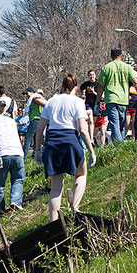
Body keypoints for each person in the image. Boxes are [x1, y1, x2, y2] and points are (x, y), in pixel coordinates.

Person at [35, 74, 96, 222]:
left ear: (62, 87)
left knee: (56, 188)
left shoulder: (50, 102)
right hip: (70, 141)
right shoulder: (77, 102)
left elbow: (39, 129)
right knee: (81, 174)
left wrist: (37, 151)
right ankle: (75, 208)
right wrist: (91, 150)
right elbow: (83, 129)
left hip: (53, 143)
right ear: (75, 88)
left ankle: (53, 222)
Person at [96, 48, 137, 142]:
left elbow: (101, 85)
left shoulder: (106, 67)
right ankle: (119, 143)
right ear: (121, 56)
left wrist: (97, 100)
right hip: (123, 99)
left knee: (114, 123)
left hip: (111, 99)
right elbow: (136, 82)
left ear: (111, 56)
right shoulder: (127, 67)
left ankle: (119, 143)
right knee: (121, 122)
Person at [22, 87, 47, 158]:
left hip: (35, 120)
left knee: (28, 139)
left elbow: (40, 102)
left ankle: (24, 156)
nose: (27, 96)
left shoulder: (35, 98)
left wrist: (47, 105)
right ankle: (36, 156)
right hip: (40, 120)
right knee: (37, 140)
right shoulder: (37, 97)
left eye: (27, 93)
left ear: (31, 92)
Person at [79, 70, 99, 142]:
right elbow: (80, 89)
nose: (91, 76)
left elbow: (101, 95)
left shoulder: (98, 84)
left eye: (93, 75)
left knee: (94, 121)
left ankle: (92, 137)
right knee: (90, 120)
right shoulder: (86, 84)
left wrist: (94, 92)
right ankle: (90, 139)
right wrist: (83, 94)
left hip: (96, 103)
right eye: (90, 75)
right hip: (88, 103)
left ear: (95, 75)